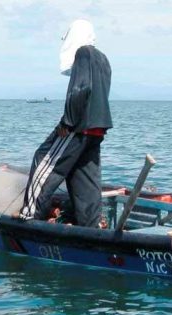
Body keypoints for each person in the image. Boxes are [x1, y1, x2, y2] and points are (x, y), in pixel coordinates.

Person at [17, 19, 112, 227]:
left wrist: (67, 122)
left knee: (45, 159)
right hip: (97, 128)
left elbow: (81, 89)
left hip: (77, 126)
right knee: (84, 175)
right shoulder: (103, 58)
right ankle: (90, 225)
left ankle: (29, 215)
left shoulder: (83, 53)